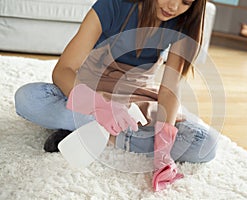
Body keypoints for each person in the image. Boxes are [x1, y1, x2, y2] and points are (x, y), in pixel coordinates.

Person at [15, 0, 219, 191]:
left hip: (134, 100)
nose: (174, 6)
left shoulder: (181, 24)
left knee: (207, 144)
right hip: (89, 92)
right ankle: (112, 130)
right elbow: (63, 70)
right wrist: (100, 106)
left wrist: (163, 151)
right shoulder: (112, 5)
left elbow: (169, 90)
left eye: (186, 2)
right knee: (29, 98)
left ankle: (92, 130)